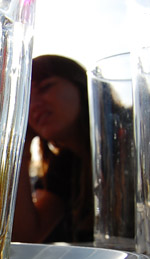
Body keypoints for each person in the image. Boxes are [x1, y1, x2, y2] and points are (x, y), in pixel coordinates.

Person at [12, 55, 94, 243]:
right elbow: (26, 236)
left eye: (45, 87)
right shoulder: (65, 167)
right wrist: (20, 143)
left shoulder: (130, 141)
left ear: (81, 87)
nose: (33, 106)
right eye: (26, 99)